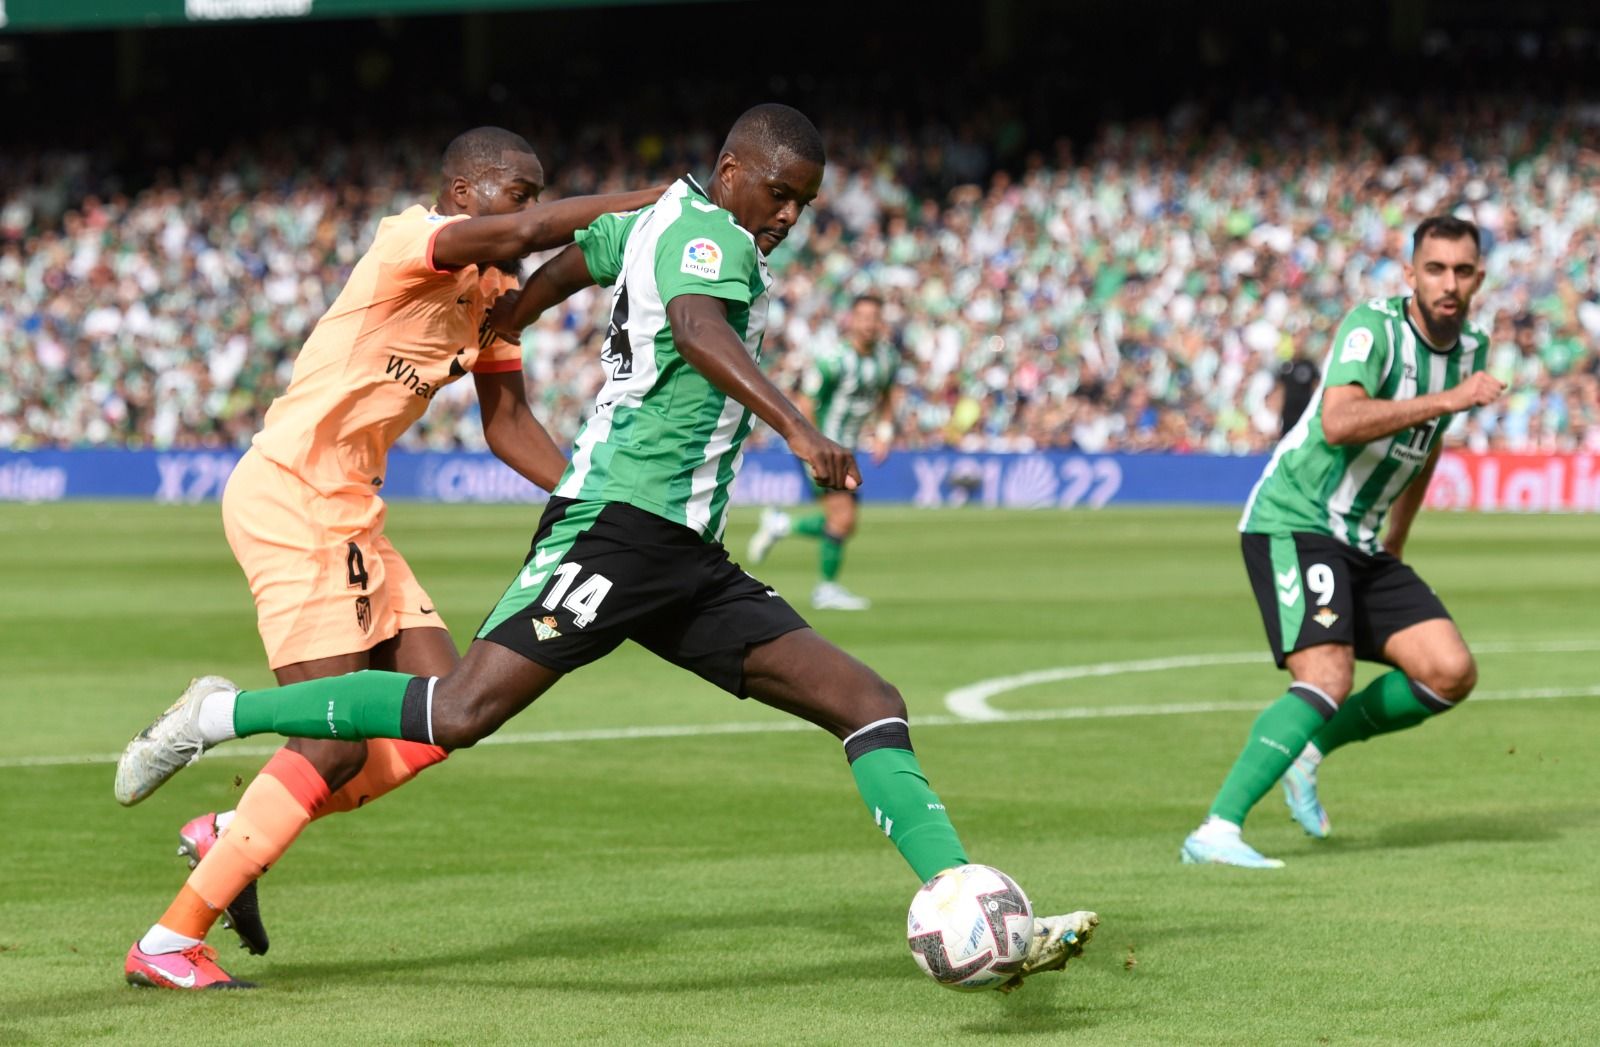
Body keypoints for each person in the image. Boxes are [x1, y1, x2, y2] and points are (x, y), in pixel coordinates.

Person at [117, 103, 1097, 991]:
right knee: (454, 712)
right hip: (588, 529)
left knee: (866, 702)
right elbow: (692, 323)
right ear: (728, 170)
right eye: (779, 193)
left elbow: (577, 272)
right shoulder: (684, 233)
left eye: (804, 203)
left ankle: (971, 898)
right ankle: (222, 716)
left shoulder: (611, 245)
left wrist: (521, 312)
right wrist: (797, 432)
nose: (788, 217)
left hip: (674, 551)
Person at [115, 126, 665, 989]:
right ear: (462, 192)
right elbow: (529, 234)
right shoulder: (409, 241)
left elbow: (507, 424)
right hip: (296, 496)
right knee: (330, 745)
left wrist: (596, 501)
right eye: (516, 192)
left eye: (534, 193)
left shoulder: (492, 295)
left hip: (352, 512)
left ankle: (231, 832)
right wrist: (654, 200)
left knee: (448, 710)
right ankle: (170, 936)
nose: (527, 208)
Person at [1180, 215, 1507, 868]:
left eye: (1462, 270)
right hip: (1297, 517)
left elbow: (1426, 445)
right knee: (1327, 674)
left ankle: (1311, 749)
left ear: (1479, 278)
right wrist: (1446, 400)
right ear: (1410, 273)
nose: (1448, 283)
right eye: (1434, 268)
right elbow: (1338, 421)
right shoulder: (1374, 327)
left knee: (1449, 671)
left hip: (1363, 537)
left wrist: (1398, 538)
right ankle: (1216, 829)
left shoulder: (1469, 350)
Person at [747, 293, 899, 611]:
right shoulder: (834, 359)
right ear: (852, 321)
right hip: (825, 449)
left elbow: (887, 395)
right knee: (842, 518)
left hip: (849, 450)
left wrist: (884, 433)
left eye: (875, 317)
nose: (869, 324)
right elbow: (805, 400)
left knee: (845, 522)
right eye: (863, 317)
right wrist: (815, 445)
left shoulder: (886, 358)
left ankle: (781, 526)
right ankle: (825, 589)